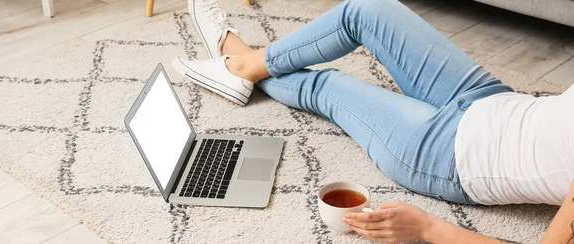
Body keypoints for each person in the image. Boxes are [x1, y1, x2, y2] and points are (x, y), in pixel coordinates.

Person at [173, 0, 574, 242]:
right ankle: (244, 66)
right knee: (366, 10)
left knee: (326, 86)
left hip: (449, 154)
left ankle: (235, 58)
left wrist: (427, 229)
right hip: (497, 100)